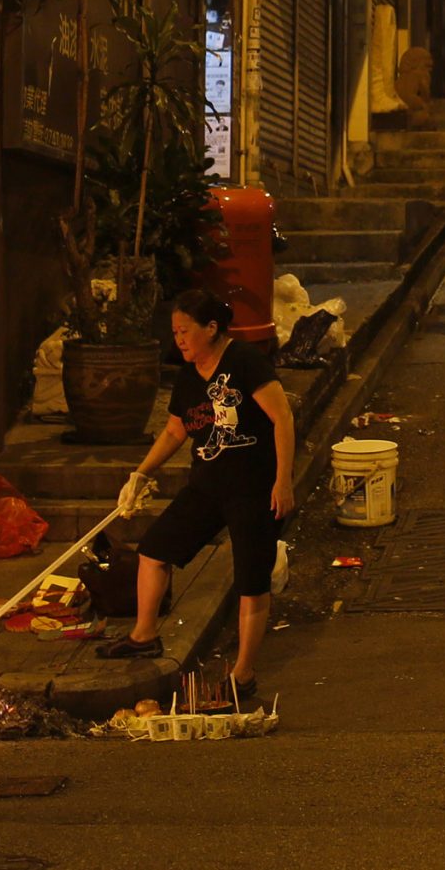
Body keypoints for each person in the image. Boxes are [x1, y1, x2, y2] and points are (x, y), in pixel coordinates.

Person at [96, 287, 297, 708]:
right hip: (206, 485)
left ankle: (243, 674)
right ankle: (144, 635)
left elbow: (282, 417)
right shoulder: (189, 374)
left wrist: (283, 481)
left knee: (251, 579)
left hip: (253, 487)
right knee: (153, 549)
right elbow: (175, 430)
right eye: (174, 332)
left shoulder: (244, 362)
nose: (179, 340)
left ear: (211, 328)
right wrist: (140, 473)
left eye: (185, 331)